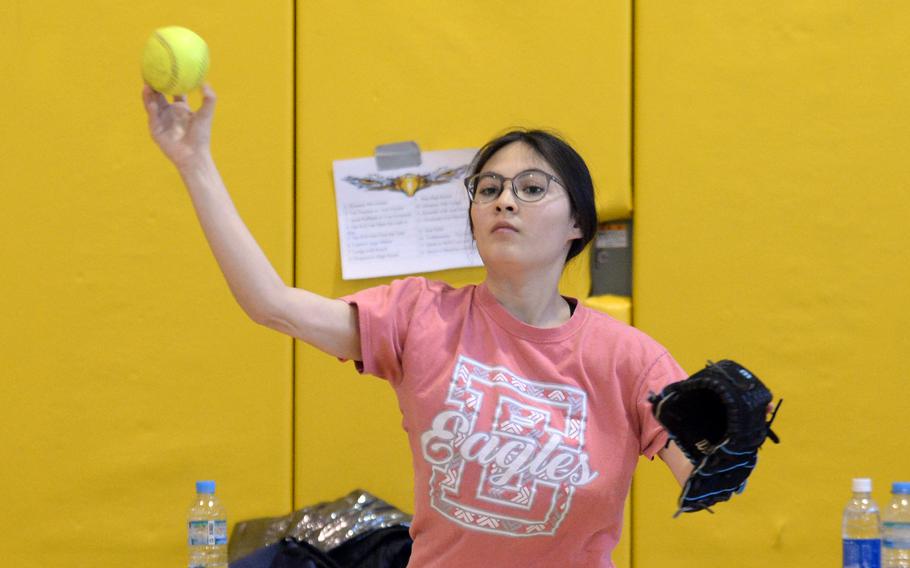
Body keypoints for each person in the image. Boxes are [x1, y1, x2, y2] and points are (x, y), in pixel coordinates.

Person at [143, 83, 694, 568]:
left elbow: (701, 472)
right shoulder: (420, 317)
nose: (505, 200)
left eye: (531, 188)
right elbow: (270, 303)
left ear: (578, 222)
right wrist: (196, 164)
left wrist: (725, 447)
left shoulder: (629, 358)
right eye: (489, 188)